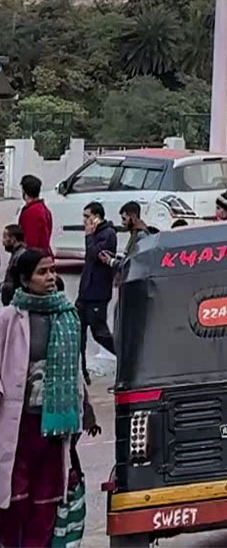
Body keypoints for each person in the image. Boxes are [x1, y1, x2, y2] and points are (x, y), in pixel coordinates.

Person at [0, 248, 96, 546]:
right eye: (43, 272)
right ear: (25, 280)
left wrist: (86, 407)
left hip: (54, 429)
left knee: (47, 504)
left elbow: (74, 371)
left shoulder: (67, 317)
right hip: (18, 428)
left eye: (52, 270)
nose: (51, 277)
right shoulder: (8, 320)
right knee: (15, 503)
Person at [77, 202, 117, 355]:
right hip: (85, 292)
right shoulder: (94, 235)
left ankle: (124, 357)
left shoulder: (108, 234)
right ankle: (81, 370)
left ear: (97, 217)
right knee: (78, 333)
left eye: (87, 216)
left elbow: (95, 255)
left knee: (99, 333)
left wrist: (89, 237)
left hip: (97, 293)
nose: (84, 220)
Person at [17, 176, 50, 253]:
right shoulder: (44, 209)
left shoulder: (31, 213)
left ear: (24, 192)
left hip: (34, 257)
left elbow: (30, 241)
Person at [0, 225, 20, 306]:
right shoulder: (15, 254)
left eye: (5, 237)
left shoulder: (19, 257)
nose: (3, 241)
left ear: (13, 239)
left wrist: (3, 286)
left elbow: (19, 283)